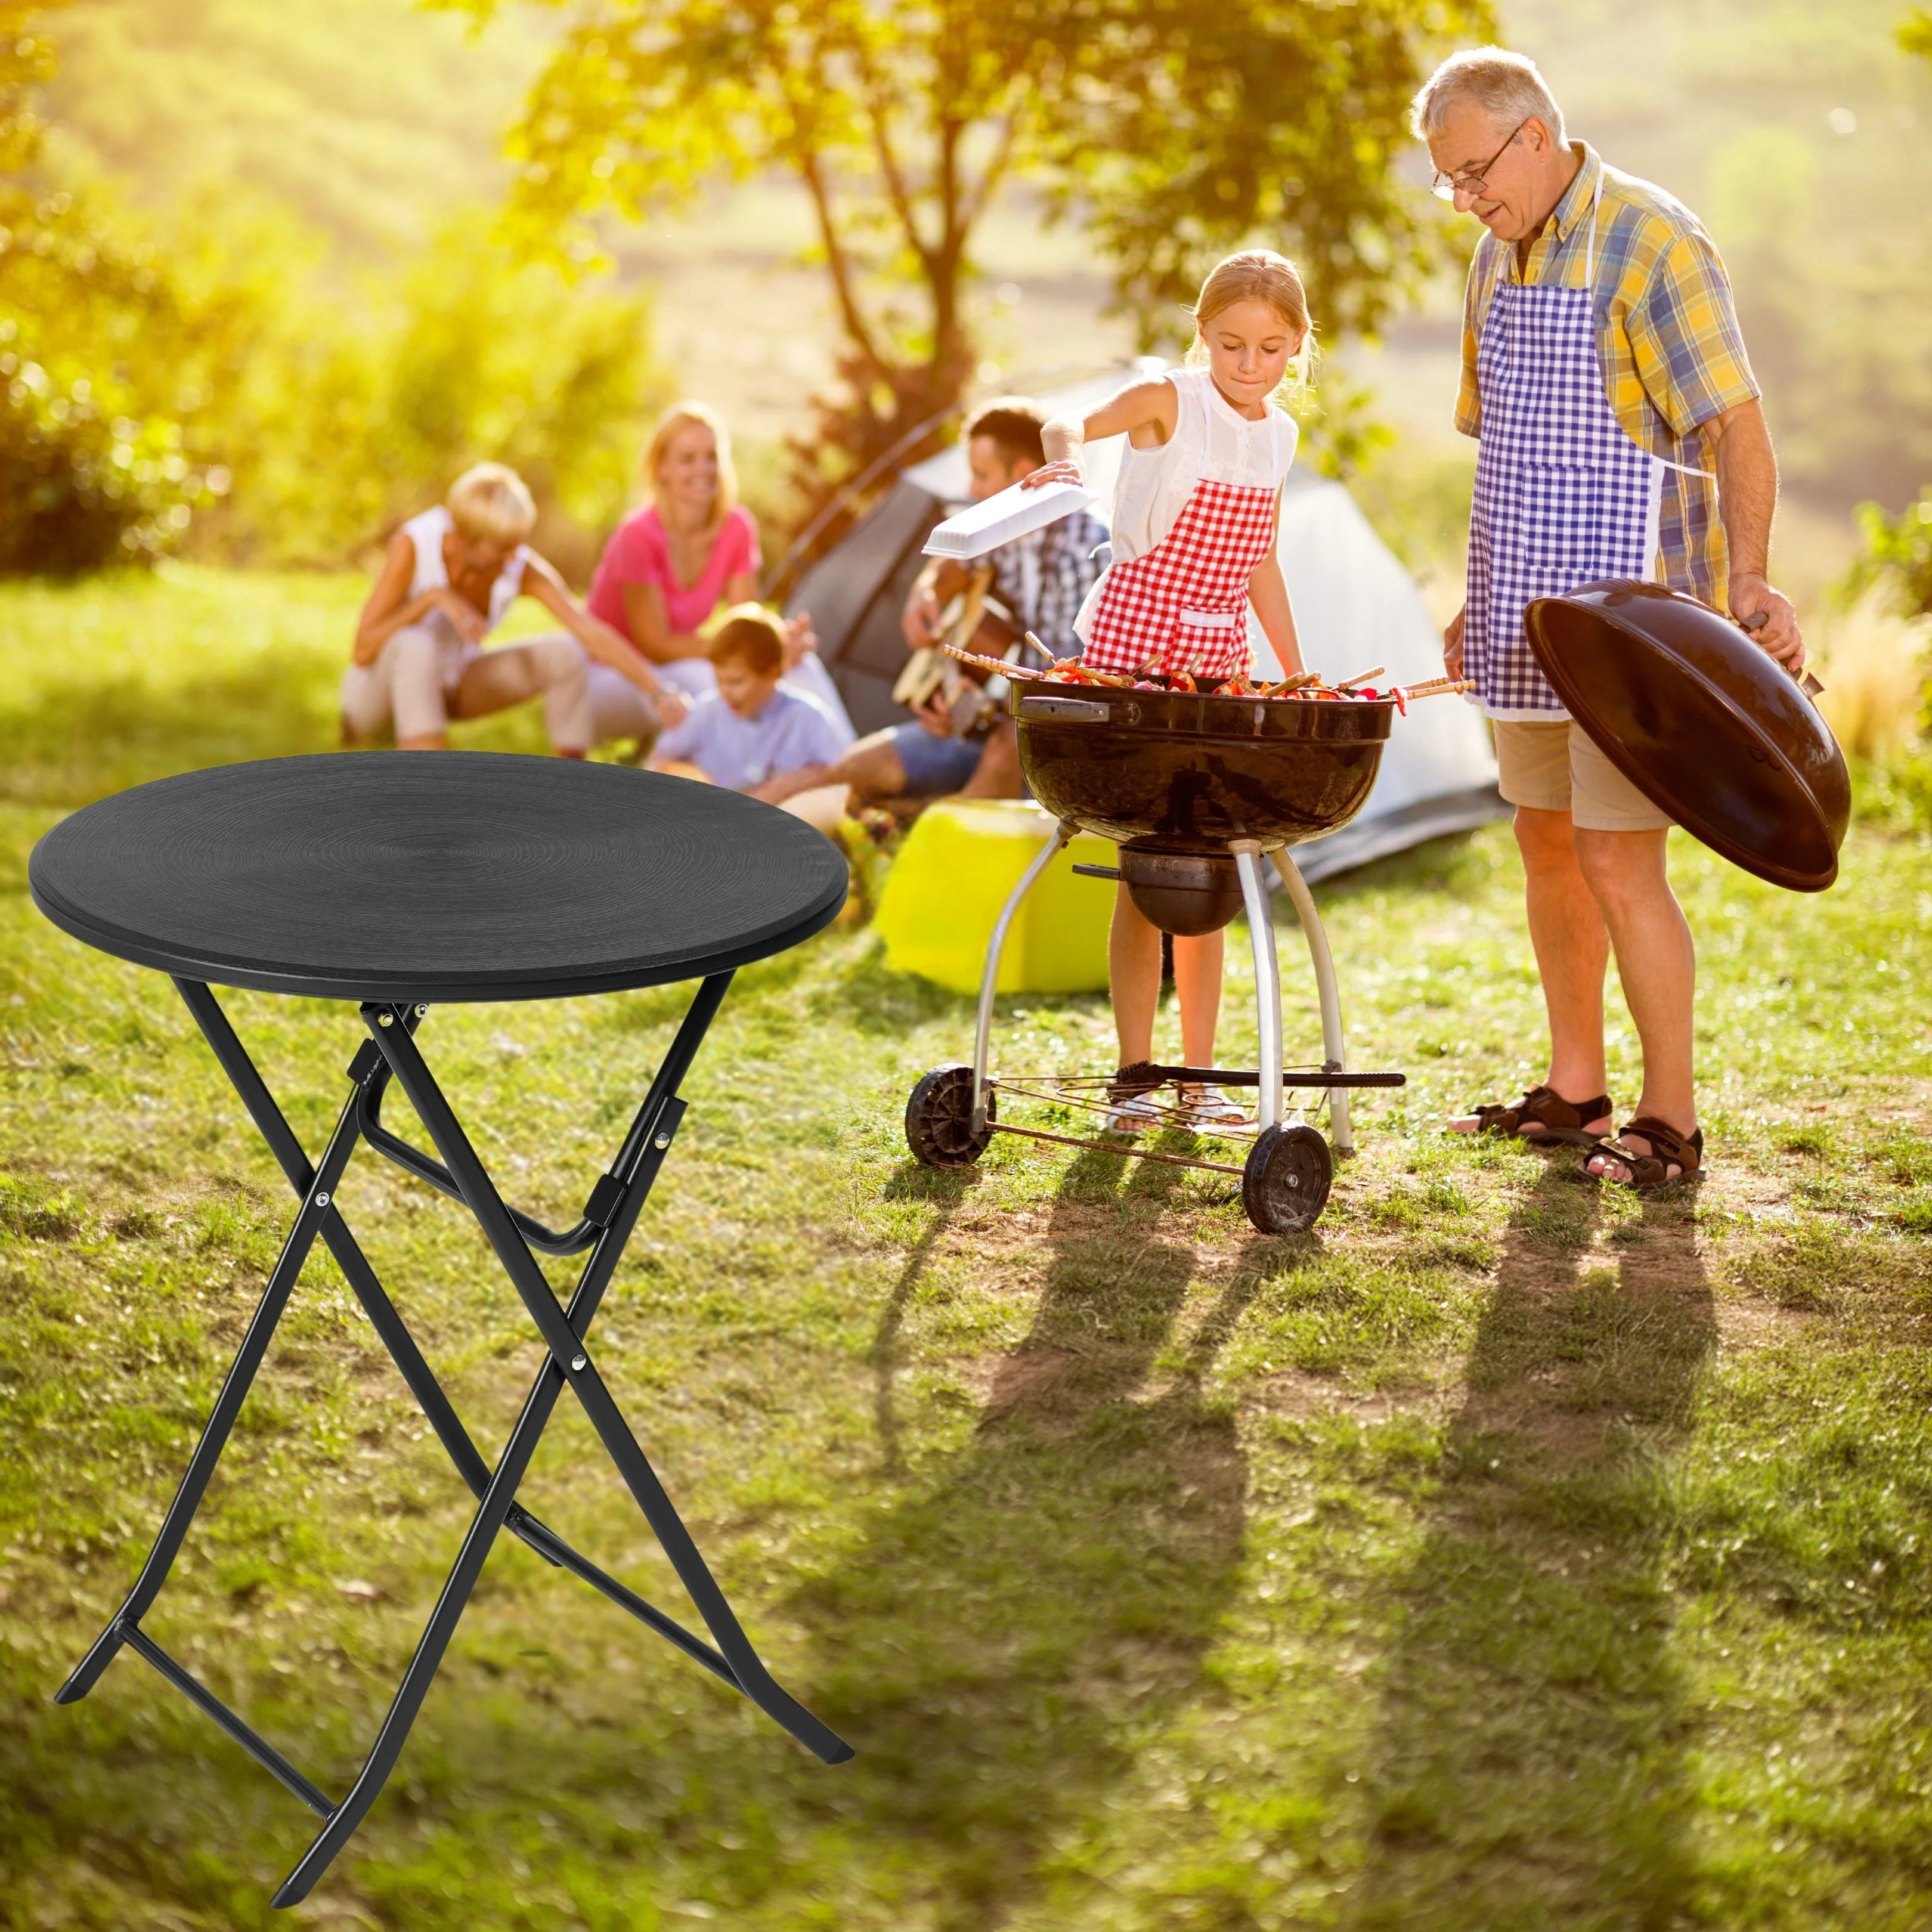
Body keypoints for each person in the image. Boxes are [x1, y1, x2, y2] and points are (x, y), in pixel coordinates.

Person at [1414, 48, 1806, 1189]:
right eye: (1448, 182)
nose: (1467, 199)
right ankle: (1576, 1091)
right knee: (1545, 843)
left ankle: (1669, 1121)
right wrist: (1473, 596)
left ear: (1536, 134)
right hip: (1525, 612)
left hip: (1636, 626)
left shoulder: (1653, 240)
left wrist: (1750, 580)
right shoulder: (1494, 256)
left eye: (1476, 172)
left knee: (1620, 861)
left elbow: (1738, 424)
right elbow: (1509, 453)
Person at [1024, 250, 1312, 1133]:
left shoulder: (1281, 435)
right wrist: (1067, 463)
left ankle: (1198, 1079)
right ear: (1202, 334)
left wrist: (1294, 672)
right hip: (1135, 647)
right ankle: (1136, 1074)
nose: (1248, 366)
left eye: (1269, 349)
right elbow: (1064, 420)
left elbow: (1256, 557)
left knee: (1212, 863)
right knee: (1145, 865)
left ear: (1297, 346)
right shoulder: (1167, 400)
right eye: (1230, 345)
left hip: (1217, 656)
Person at [761, 399, 1107, 812]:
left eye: (981, 476)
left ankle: (930, 848)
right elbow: (956, 565)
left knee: (1002, 754)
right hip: (994, 717)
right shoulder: (1005, 527)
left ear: (1024, 475)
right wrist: (924, 593)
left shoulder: (1088, 548)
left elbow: (1074, 679)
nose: (971, 490)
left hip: (1052, 735)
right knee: (852, 767)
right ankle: (738, 819)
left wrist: (984, 708)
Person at [343, 463, 683, 756]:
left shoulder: (518, 565)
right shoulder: (414, 545)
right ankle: (429, 782)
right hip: (376, 699)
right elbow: (362, 649)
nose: (513, 558)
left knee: (565, 652)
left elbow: (590, 631)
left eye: (518, 544)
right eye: (503, 547)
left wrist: (658, 691)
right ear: (462, 539)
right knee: (418, 644)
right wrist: (432, 598)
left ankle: (572, 788)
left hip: (450, 688)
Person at [584, 400, 853, 744]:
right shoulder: (637, 535)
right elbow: (655, 645)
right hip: (614, 676)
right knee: (711, 682)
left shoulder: (736, 526)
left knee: (801, 667)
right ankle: (762, 781)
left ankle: (848, 770)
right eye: (688, 458)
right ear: (661, 469)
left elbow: (745, 618)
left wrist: (777, 642)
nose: (703, 468)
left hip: (678, 667)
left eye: (711, 456)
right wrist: (742, 653)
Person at [648, 606, 847, 803]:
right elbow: (657, 763)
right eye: (719, 680)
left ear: (773, 674)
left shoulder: (807, 718)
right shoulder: (707, 712)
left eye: (736, 682)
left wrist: (795, 783)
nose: (725, 691)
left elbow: (841, 774)